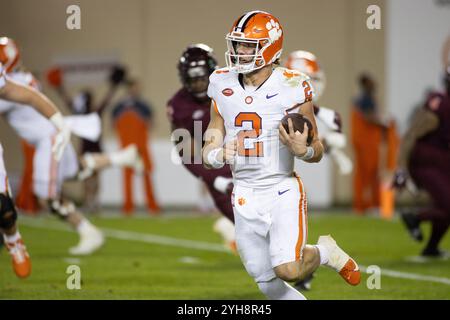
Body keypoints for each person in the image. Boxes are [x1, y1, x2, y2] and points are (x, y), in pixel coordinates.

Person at [202, 11, 360, 300]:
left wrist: (305, 150)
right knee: (266, 282)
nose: (240, 51)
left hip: (281, 188)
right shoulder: (220, 82)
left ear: (270, 46)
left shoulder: (292, 85)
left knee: (288, 269)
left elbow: (317, 149)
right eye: (238, 44)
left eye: (250, 45)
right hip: (244, 192)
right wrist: (216, 153)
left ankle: (326, 253)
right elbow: (211, 137)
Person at [0, 37, 141, 256]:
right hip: (54, 135)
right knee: (76, 172)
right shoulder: (22, 78)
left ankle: (87, 230)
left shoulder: (12, 84)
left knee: (46, 197)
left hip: (48, 140)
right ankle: (121, 158)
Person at [284, 50, 352, 291]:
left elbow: (335, 139)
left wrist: (331, 146)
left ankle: (305, 268)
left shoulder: (327, 115)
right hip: (283, 173)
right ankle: (311, 263)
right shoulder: (276, 105)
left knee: (292, 227)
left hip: (303, 172)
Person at [0, 59, 71, 278]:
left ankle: (13, 241)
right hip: (40, 140)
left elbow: (27, 95)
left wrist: (61, 124)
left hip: (44, 140)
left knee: (4, 210)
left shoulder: (16, 80)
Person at [167, 44, 235, 250]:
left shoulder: (232, 86)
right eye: (193, 79)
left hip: (249, 161)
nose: (198, 84)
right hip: (217, 168)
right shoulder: (178, 106)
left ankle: (297, 265)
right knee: (243, 224)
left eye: (202, 78)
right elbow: (186, 153)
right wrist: (214, 179)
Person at [47, 65, 126, 212]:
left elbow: (70, 102)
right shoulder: (87, 114)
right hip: (90, 148)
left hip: (92, 147)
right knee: (90, 177)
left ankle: (93, 201)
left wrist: (60, 88)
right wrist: (59, 87)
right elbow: (105, 100)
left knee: (90, 177)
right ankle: (91, 201)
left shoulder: (88, 113)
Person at [393, 64, 450, 258]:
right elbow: (411, 134)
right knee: (448, 205)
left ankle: (431, 247)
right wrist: (401, 168)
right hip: (427, 162)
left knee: (445, 207)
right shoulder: (440, 104)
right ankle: (415, 218)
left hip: (442, 163)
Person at [112, 79, 160, 215]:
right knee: (127, 177)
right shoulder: (120, 106)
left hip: (142, 146)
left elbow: (151, 122)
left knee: (146, 175)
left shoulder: (143, 105)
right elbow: (114, 124)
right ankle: (128, 207)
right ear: (129, 88)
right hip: (126, 147)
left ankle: (152, 206)